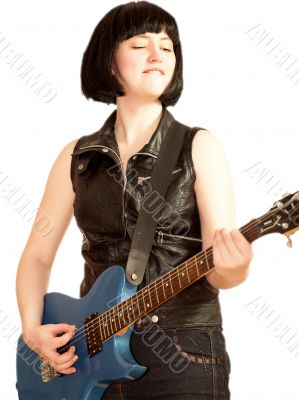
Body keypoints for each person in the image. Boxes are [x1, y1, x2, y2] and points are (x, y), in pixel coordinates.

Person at [16, 1, 253, 399]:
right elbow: (37, 256)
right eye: (141, 44)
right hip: (88, 355)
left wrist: (237, 267)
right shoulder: (76, 158)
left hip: (183, 354)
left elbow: (221, 270)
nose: (159, 54)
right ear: (109, 62)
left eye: (168, 45)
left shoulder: (200, 147)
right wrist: (31, 329)